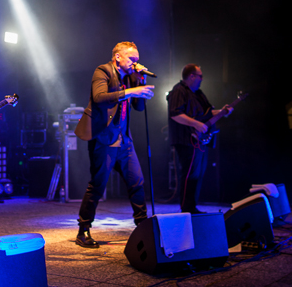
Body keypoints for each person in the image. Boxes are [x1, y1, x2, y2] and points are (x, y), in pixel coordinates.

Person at [75, 42, 155, 248]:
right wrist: (132, 91)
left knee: (137, 181)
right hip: (105, 137)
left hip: (125, 140)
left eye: (138, 60)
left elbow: (138, 107)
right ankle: (83, 230)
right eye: (132, 60)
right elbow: (99, 97)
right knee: (98, 184)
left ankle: (143, 227)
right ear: (118, 57)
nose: (136, 63)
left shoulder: (131, 77)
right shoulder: (103, 71)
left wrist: (140, 81)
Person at [168, 63, 232, 214]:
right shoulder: (179, 91)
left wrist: (222, 112)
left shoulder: (198, 93)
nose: (202, 79)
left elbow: (207, 114)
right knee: (189, 174)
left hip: (199, 140)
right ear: (191, 76)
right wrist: (195, 124)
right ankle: (186, 208)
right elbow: (175, 113)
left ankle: (191, 207)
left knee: (198, 174)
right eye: (200, 76)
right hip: (186, 139)